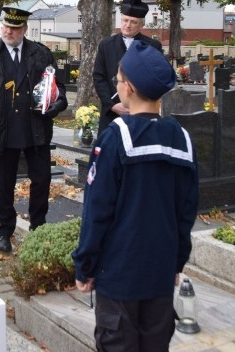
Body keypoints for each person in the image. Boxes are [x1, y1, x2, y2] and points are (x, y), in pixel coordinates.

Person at [72, 41, 198, 352]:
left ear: (127, 88)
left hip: (120, 274)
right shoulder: (181, 137)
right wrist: (176, 262)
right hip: (159, 271)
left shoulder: (116, 136)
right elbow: (187, 210)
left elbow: (97, 210)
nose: (116, 86)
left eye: (117, 80)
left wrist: (85, 265)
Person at [0, 7, 67, 253]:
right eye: (5, 26)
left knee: (42, 180)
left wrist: (56, 105)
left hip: (36, 130)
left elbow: (58, 90)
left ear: (24, 29)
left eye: (14, 28)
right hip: (3, 131)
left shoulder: (41, 54)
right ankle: (4, 230)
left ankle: (38, 227)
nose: (8, 31)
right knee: (4, 183)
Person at [92, 0, 163, 132]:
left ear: (141, 24)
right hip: (112, 112)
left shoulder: (153, 46)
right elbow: (99, 77)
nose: (128, 25)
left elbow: (157, 78)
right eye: (125, 20)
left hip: (142, 112)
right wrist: (111, 104)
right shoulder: (106, 45)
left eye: (133, 22)